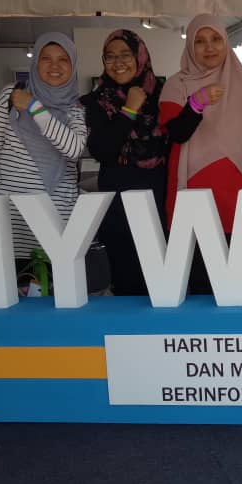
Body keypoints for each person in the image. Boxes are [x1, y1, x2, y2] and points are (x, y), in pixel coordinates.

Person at [159, 14, 242, 293]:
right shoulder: (176, 85)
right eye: (200, 41)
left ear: (226, 42)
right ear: (190, 47)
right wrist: (196, 104)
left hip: (237, 197)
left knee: (234, 287)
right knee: (194, 285)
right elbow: (176, 133)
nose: (209, 47)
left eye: (216, 39)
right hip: (191, 196)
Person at [0, 32, 87, 271]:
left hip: (58, 211)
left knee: (57, 280)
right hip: (12, 211)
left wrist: (34, 107)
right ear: (36, 62)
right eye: (46, 58)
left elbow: (73, 149)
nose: (54, 66)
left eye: (63, 59)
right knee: (13, 279)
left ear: (73, 66)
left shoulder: (75, 107)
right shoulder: (10, 95)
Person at [82, 29, 167, 296]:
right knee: (127, 280)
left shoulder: (163, 95)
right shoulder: (97, 101)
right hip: (118, 203)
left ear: (140, 56)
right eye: (110, 56)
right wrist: (129, 110)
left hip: (159, 197)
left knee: (162, 282)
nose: (118, 62)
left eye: (125, 54)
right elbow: (102, 151)